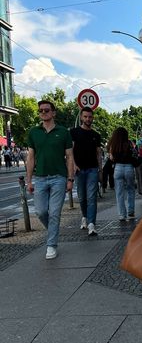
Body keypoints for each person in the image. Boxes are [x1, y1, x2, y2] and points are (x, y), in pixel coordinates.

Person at [26, 100, 74, 259]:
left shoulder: (63, 132)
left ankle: (51, 245)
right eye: (40, 111)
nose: (43, 113)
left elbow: (69, 157)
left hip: (59, 178)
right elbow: (31, 158)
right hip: (40, 178)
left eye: (46, 110)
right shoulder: (34, 132)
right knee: (40, 212)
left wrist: (70, 179)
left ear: (53, 113)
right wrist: (29, 180)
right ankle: (53, 232)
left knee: (54, 213)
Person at [70, 106, 102, 236]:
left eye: (90, 117)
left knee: (91, 197)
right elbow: (70, 151)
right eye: (85, 117)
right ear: (81, 117)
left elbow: (98, 154)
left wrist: (100, 170)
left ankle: (91, 224)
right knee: (82, 197)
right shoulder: (74, 132)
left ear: (92, 118)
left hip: (92, 169)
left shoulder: (96, 135)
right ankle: (84, 216)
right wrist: (73, 165)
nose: (88, 119)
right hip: (79, 170)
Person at [109, 127, 137, 221]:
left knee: (119, 192)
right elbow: (135, 154)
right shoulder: (129, 143)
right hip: (129, 167)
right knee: (131, 189)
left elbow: (111, 158)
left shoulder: (114, 144)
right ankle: (131, 210)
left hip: (118, 168)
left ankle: (122, 215)